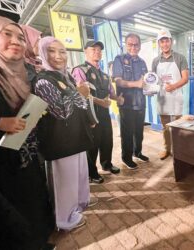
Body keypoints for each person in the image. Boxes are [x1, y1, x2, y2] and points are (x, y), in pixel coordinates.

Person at [0, 16, 54, 249]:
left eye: (20, 37)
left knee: (34, 198)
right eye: (6, 34)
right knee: (10, 213)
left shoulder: (26, 73)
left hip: (27, 154)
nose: (15, 41)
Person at [35, 36, 97, 231]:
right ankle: (64, 221)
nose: (58, 56)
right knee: (64, 184)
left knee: (78, 176)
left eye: (62, 51)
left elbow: (80, 103)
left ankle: (78, 206)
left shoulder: (65, 76)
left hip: (75, 136)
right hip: (59, 141)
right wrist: (80, 93)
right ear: (43, 54)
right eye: (52, 51)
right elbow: (60, 112)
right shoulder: (43, 81)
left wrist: (88, 115)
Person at [72, 41, 121, 184]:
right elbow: (80, 94)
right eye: (93, 49)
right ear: (85, 51)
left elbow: (111, 94)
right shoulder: (80, 70)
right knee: (92, 144)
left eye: (99, 50)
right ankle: (91, 172)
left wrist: (119, 98)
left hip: (104, 114)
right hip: (89, 115)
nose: (97, 52)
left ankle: (107, 164)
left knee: (107, 140)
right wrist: (100, 102)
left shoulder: (104, 75)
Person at [113, 33, 149, 169]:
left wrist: (149, 89)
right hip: (126, 103)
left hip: (140, 102)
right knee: (127, 132)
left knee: (139, 131)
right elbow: (118, 81)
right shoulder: (119, 60)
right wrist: (136, 84)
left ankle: (137, 152)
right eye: (130, 44)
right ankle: (126, 157)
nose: (133, 47)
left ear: (139, 46)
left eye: (136, 44)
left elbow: (144, 82)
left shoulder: (142, 62)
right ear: (126, 45)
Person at [152, 28, 189, 160]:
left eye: (166, 41)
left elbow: (185, 78)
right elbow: (153, 80)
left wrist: (173, 86)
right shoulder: (156, 61)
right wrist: (150, 89)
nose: (165, 44)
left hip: (176, 97)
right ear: (159, 44)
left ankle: (178, 151)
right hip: (162, 98)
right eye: (162, 42)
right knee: (165, 127)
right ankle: (167, 149)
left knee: (178, 126)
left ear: (171, 42)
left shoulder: (180, 58)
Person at [20, 25, 42, 89]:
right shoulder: (20, 67)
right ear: (26, 41)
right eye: (37, 40)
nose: (40, 44)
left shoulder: (39, 63)